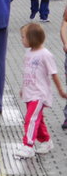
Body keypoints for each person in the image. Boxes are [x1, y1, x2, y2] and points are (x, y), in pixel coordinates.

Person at [14, 23, 67, 158]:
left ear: (32, 38)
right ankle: (46, 141)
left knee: (30, 119)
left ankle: (28, 145)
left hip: (39, 94)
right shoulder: (28, 54)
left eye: (23, 37)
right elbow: (28, 73)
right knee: (38, 119)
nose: (21, 40)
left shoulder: (45, 55)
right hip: (29, 93)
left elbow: (53, 74)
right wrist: (23, 88)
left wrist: (60, 90)